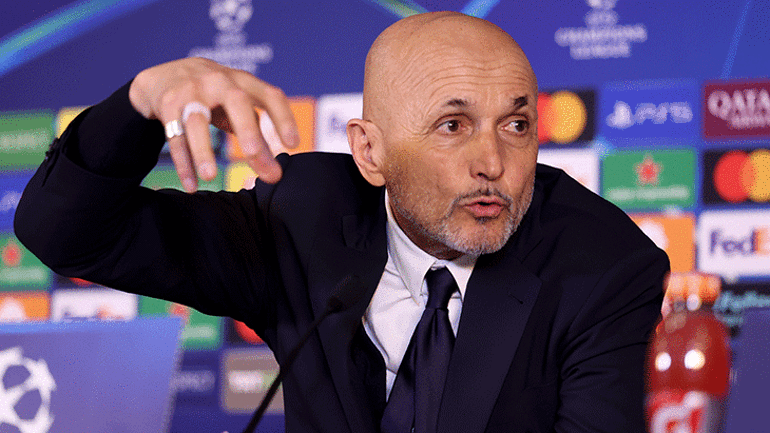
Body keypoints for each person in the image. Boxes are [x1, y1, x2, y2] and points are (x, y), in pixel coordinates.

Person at [15, 11, 668, 433]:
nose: (493, 163)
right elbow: (65, 232)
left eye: (517, 125)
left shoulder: (603, 265)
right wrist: (140, 102)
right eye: (453, 125)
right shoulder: (304, 216)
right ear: (370, 152)